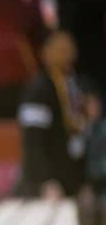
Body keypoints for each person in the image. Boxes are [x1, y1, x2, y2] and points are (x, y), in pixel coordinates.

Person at [17, 30, 98, 199]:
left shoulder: (78, 85)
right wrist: (45, 180)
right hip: (49, 183)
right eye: (61, 50)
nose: (67, 55)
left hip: (75, 176)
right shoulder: (38, 91)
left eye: (69, 50)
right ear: (46, 53)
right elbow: (32, 139)